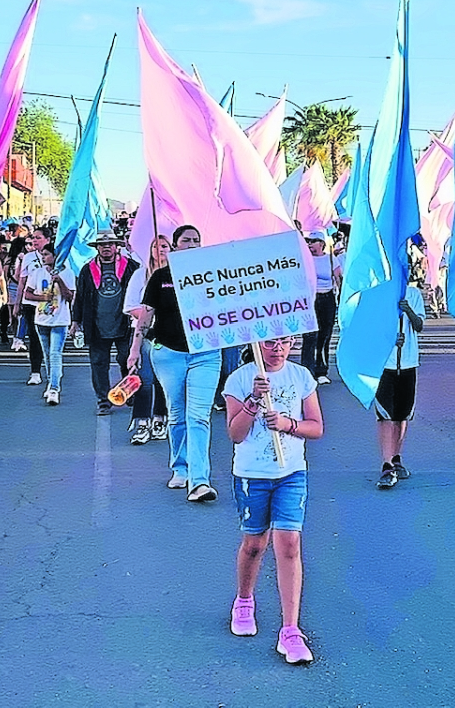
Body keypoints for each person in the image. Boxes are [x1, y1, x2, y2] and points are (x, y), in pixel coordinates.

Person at [224, 337, 324, 664]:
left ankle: (290, 630)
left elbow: (316, 427)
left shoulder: (301, 377)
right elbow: (235, 433)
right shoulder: (239, 379)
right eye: (269, 342)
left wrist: (286, 424)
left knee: (289, 544)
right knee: (254, 544)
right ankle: (244, 600)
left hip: (292, 472)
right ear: (257, 343)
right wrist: (252, 402)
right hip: (252, 474)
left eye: (285, 341)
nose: (277, 348)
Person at [130, 225, 221, 501]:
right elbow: (146, 316)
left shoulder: (212, 273)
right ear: (176, 245)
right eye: (186, 240)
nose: (192, 244)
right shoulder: (161, 277)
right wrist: (135, 350)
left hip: (206, 354)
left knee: (198, 417)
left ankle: (199, 480)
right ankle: (179, 467)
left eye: (196, 239)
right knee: (177, 413)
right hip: (169, 354)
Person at [71, 230, 138, 416]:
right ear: (97, 248)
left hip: (125, 322)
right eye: (102, 244)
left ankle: (129, 391)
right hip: (96, 324)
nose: (106, 247)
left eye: (110, 244)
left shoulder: (131, 266)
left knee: (127, 359)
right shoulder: (87, 269)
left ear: (116, 246)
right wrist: (75, 321)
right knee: (99, 363)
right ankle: (103, 400)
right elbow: (80, 296)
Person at [374, 280, 425, 489]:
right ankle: (386, 464)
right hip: (384, 365)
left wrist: (408, 310)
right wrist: (389, 339)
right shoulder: (379, 294)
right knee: (386, 415)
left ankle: (396, 456)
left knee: (402, 415)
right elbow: (369, 329)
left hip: (408, 363)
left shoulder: (414, 294)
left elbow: (419, 325)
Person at [123, 235, 171, 445]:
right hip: (146, 335)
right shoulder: (140, 275)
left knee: (164, 381)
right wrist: (149, 313)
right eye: (156, 246)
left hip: (169, 336)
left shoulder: (177, 274)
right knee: (145, 379)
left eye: (164, 246)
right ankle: (142, 421)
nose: (160, 250)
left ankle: (160, 419)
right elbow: (130, 306)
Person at [23, 243, 75, 405]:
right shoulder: (37, 273)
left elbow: (70, 296)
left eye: (46, 254)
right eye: (42, 254)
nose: (44, 257)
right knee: (47, 355)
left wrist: (59, 281)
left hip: (60, 320)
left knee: (55, 353)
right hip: (41, 319)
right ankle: (50, 380)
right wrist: (42, 298)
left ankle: (54, 388)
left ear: (55, 256)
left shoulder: (68, 272)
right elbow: (28, 293)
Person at [298, 232, 342, 385]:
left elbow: (338, 278)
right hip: (311, 299)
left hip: (327, 299)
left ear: (322, 243)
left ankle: (321, 370)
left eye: (313, 241)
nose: (310, 244)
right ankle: (307, 370)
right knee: (310, 336)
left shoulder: (331, 259)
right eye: (308, 241)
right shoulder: (305, 259)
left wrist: (342, 298)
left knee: (324, 335)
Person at [13, 227, 51, 385]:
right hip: (31, 303)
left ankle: (51, 369)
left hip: (49, 303)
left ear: (47, 239)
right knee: (34, 338)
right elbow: (21, 280)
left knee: (49, 338)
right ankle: (35, 371)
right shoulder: (28, 257)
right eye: (33, 238)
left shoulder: (57, 255)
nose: (35, 241)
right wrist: (17, 302)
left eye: (38, 238)